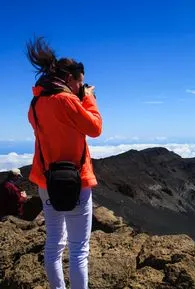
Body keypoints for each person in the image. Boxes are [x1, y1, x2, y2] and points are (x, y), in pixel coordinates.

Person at [26, 37, 102, 289]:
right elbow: (95, 128)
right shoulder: (68, 101)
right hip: (75, 180)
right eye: (80, 82)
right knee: (79, 249)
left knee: (54, 243)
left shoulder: (36, 102)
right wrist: (88, 98)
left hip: (46, 180)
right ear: (69, 79)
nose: (82, 86)